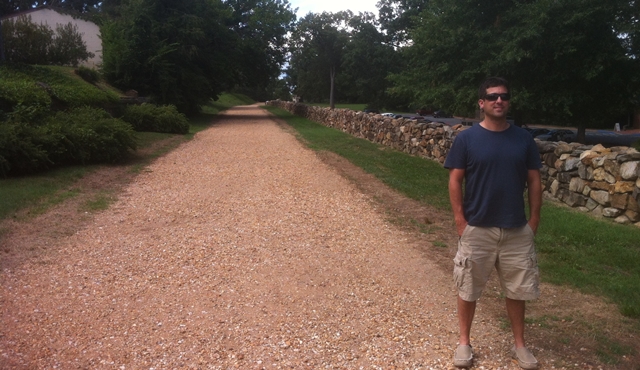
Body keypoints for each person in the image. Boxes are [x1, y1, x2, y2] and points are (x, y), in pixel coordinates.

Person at [444, 77, 542, 369]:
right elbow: (455, 180)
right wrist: (460, 220)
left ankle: (520, 346)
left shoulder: (523, 138)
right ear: (482, 103)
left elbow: (535, 181)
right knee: (468, 288)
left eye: (504, 96)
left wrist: (534, 219)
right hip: (478, 227)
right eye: (493, 96)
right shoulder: (467, 139)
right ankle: (464, 343)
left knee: (517, 290)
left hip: (516, 229)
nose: (499, 100)